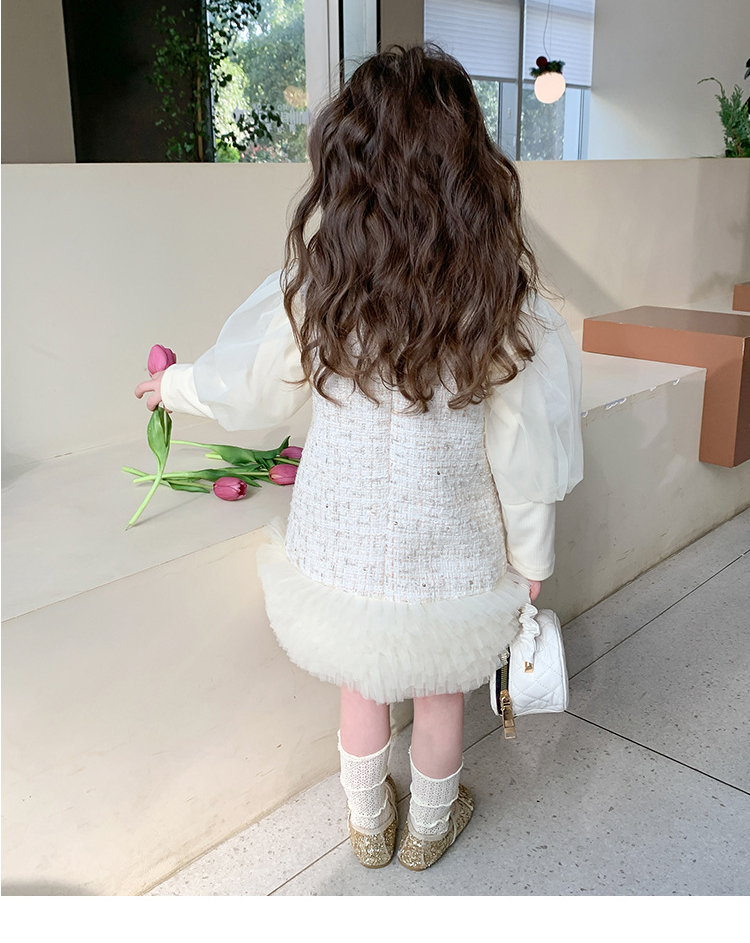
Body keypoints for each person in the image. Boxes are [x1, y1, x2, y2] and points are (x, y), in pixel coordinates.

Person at [135, 44, 583, 873]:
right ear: (469, 166)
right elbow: (523, 449)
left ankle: (370, 825)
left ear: (347, 163)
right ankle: (430, 829)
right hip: (450, 549)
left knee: (361, 686)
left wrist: (175, 387)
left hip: (341, 547)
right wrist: (532, 558)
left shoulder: (323, 289)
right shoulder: (492, 300)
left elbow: (251, 387)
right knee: (441, 694)